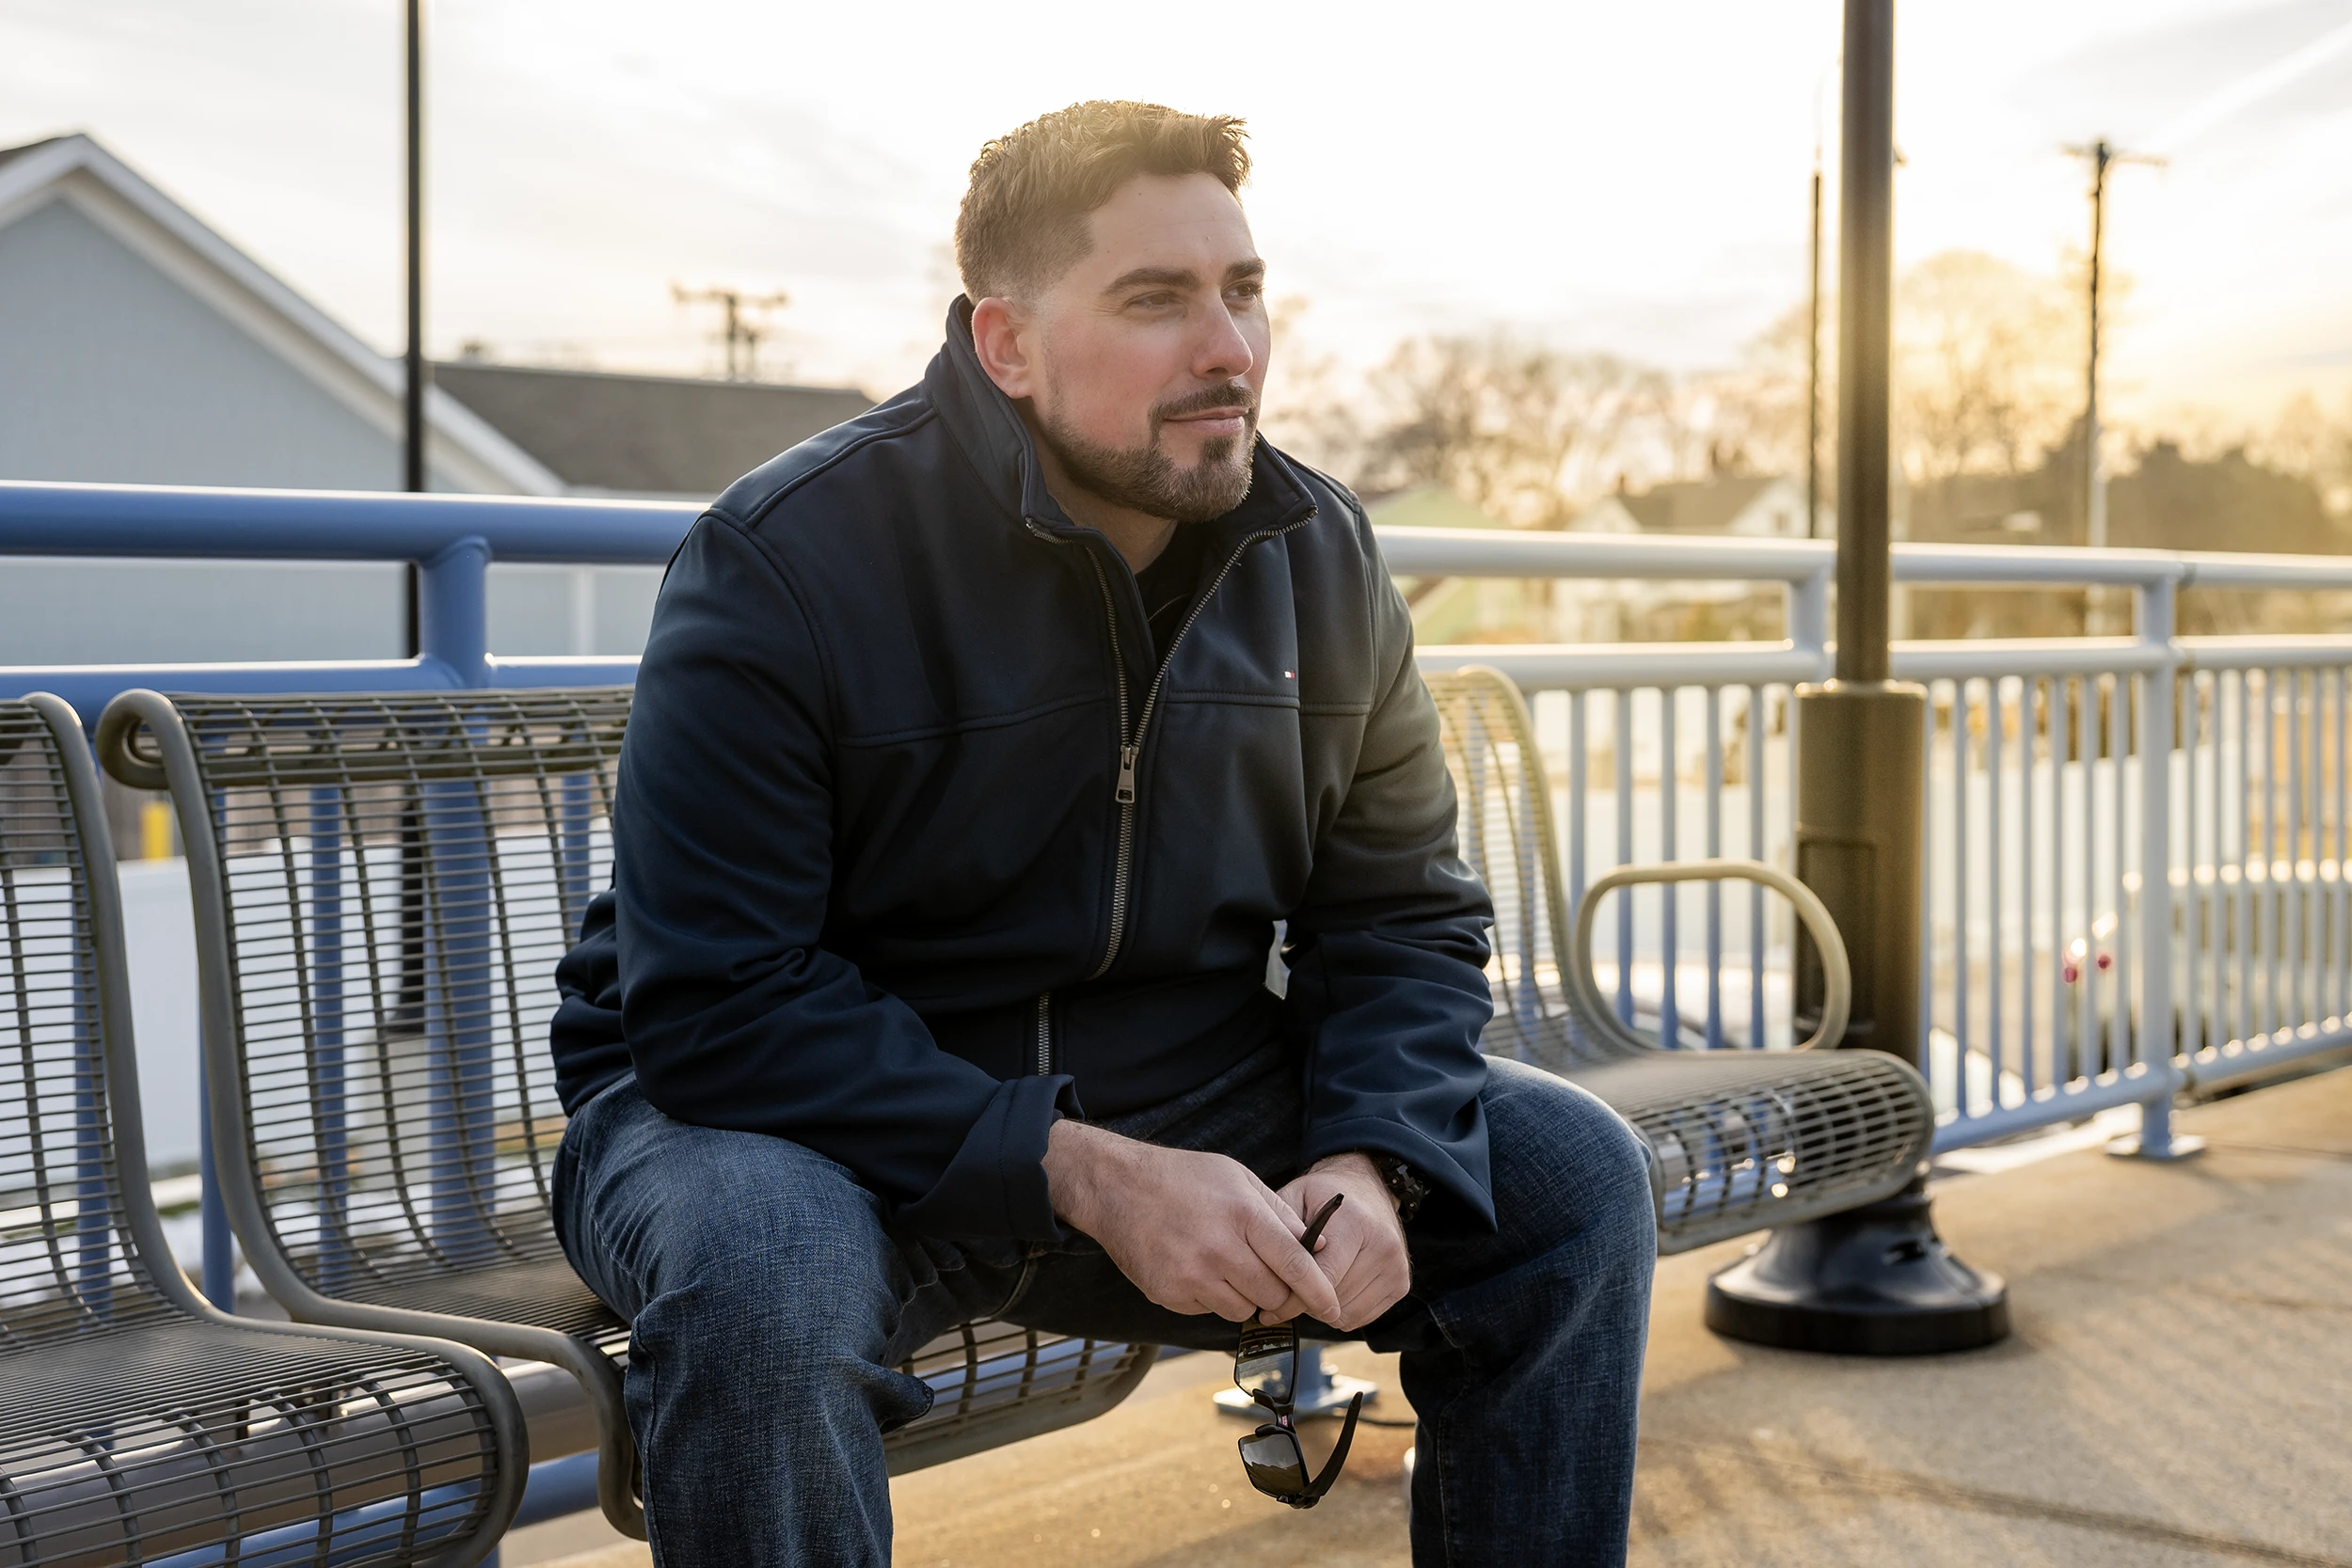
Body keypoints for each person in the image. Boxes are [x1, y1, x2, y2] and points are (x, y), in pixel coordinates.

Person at [548, 100, 1656, 1567]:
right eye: (1157, 300)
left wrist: (1374, 1152)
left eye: (1243, 290)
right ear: (1006, 344)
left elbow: (1400, 916)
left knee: (1570, 1182)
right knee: (761, 1284)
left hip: (1167, 1086)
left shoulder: (1321, 557)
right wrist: (1082, 1167)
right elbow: (716, 1003)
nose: (1228, 347)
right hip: (782, 1118)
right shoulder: (786, 558)